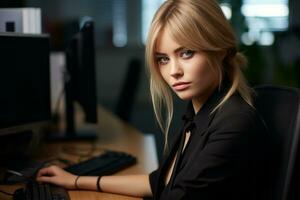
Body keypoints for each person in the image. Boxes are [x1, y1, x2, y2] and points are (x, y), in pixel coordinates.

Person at [36, 0, 268, 199]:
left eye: (186, 53)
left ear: (220, 49)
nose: (173, 71)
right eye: (163, 59)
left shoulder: (233, 123)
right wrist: (75, 180)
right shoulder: (200, 112)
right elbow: (160, 182)